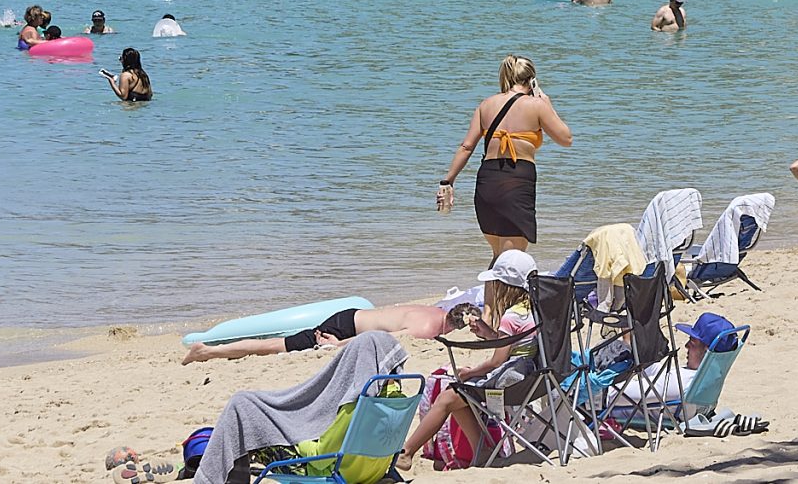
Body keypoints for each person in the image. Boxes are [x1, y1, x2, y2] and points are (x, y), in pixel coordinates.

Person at [397, 251, 541, 470]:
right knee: (457, 395)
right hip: (532, 377)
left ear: (504, 285)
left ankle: (406, 453)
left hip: (511, 384)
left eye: (495, 282)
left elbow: (497, 361)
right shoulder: (534, 308)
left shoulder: (511, 316)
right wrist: (488, 333)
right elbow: (515, 342)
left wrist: (470, 373)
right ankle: (481, 452)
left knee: (448, 397)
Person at [435, 56, 573, 257]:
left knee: (499, 256)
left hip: (487, 182)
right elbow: (566, 139)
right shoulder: (537, 105)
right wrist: (547, 104)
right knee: (511, 260)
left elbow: (466, 147)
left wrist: (448, 181)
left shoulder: (485, 105)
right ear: (532, 80)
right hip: (516, 180)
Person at [181, 301, 482, 364]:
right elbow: (379, 339)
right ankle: (207, 351)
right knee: (273, 346)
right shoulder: (428, 329)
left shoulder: (434, 310)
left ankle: (209, 350)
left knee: (277, 344)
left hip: (351, 315)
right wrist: (337, 345)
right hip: (343, 328)